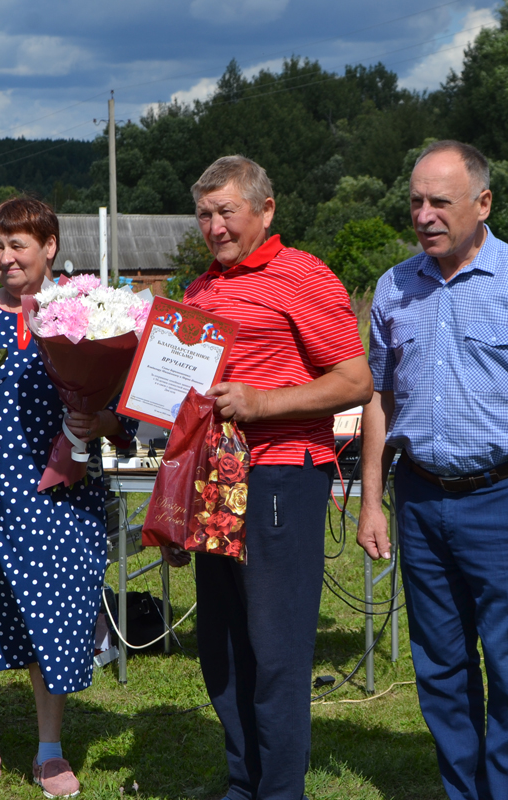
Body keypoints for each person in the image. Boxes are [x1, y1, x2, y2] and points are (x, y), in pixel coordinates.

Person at [356, 140, 508, 800]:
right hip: (421, 498)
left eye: (441, 201)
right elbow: (379, 398)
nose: (425, 215)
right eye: (415, 202)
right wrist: (372, 501)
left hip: (505, 498)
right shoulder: (394, 287)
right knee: (440, 667)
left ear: (483, 203)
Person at [0, 196, 137, 798]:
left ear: (50, 248)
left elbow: (127, 404)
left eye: (19, 246)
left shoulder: (87, 315)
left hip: (58, 498)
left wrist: (104, 422)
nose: (6, 259)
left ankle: (51, 752)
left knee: (56, 617)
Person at [162, 155, 373, 800]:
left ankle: (280, 791)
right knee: (222, 646)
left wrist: (261, 403)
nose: (216, 226)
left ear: (265, 210)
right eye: (205, 214)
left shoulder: (302, 275)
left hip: (279, 478)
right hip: (211, 480)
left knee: (276, 650)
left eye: (227, 211)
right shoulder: (197, 291)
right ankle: (242, 782)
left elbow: (355, 381)